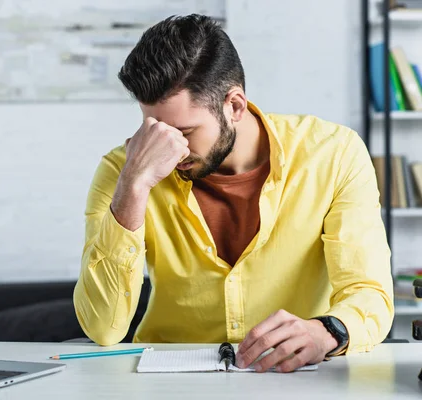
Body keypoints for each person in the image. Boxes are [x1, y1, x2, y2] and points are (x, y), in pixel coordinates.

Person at [73, 14, 394, 373]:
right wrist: (133, 187)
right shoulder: (125, 169)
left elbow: (370, 294)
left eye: (184, 130)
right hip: (168, 382)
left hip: (293, 377)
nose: (169, 147)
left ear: (235, 106)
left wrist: (326, 332)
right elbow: (102, 327)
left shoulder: (333, 153)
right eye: (154, 128)